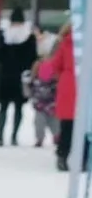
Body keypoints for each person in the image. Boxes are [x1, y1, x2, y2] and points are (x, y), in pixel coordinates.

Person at [0, 8, 39, 147]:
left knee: (3, 107)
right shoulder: (29, 37)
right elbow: (33, 57)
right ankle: (14, 136)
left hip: (5, 75)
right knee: (19, 108)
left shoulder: (4, 35)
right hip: (21, 77)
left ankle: (0, 136)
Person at [39, 25, 80, 172]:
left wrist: (42, 70)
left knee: (67, 126)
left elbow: (54, 65)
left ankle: (62, 155)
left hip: (68, 86)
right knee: (85, 126)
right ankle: (84, 158)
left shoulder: (66, 43)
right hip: (85, 85)